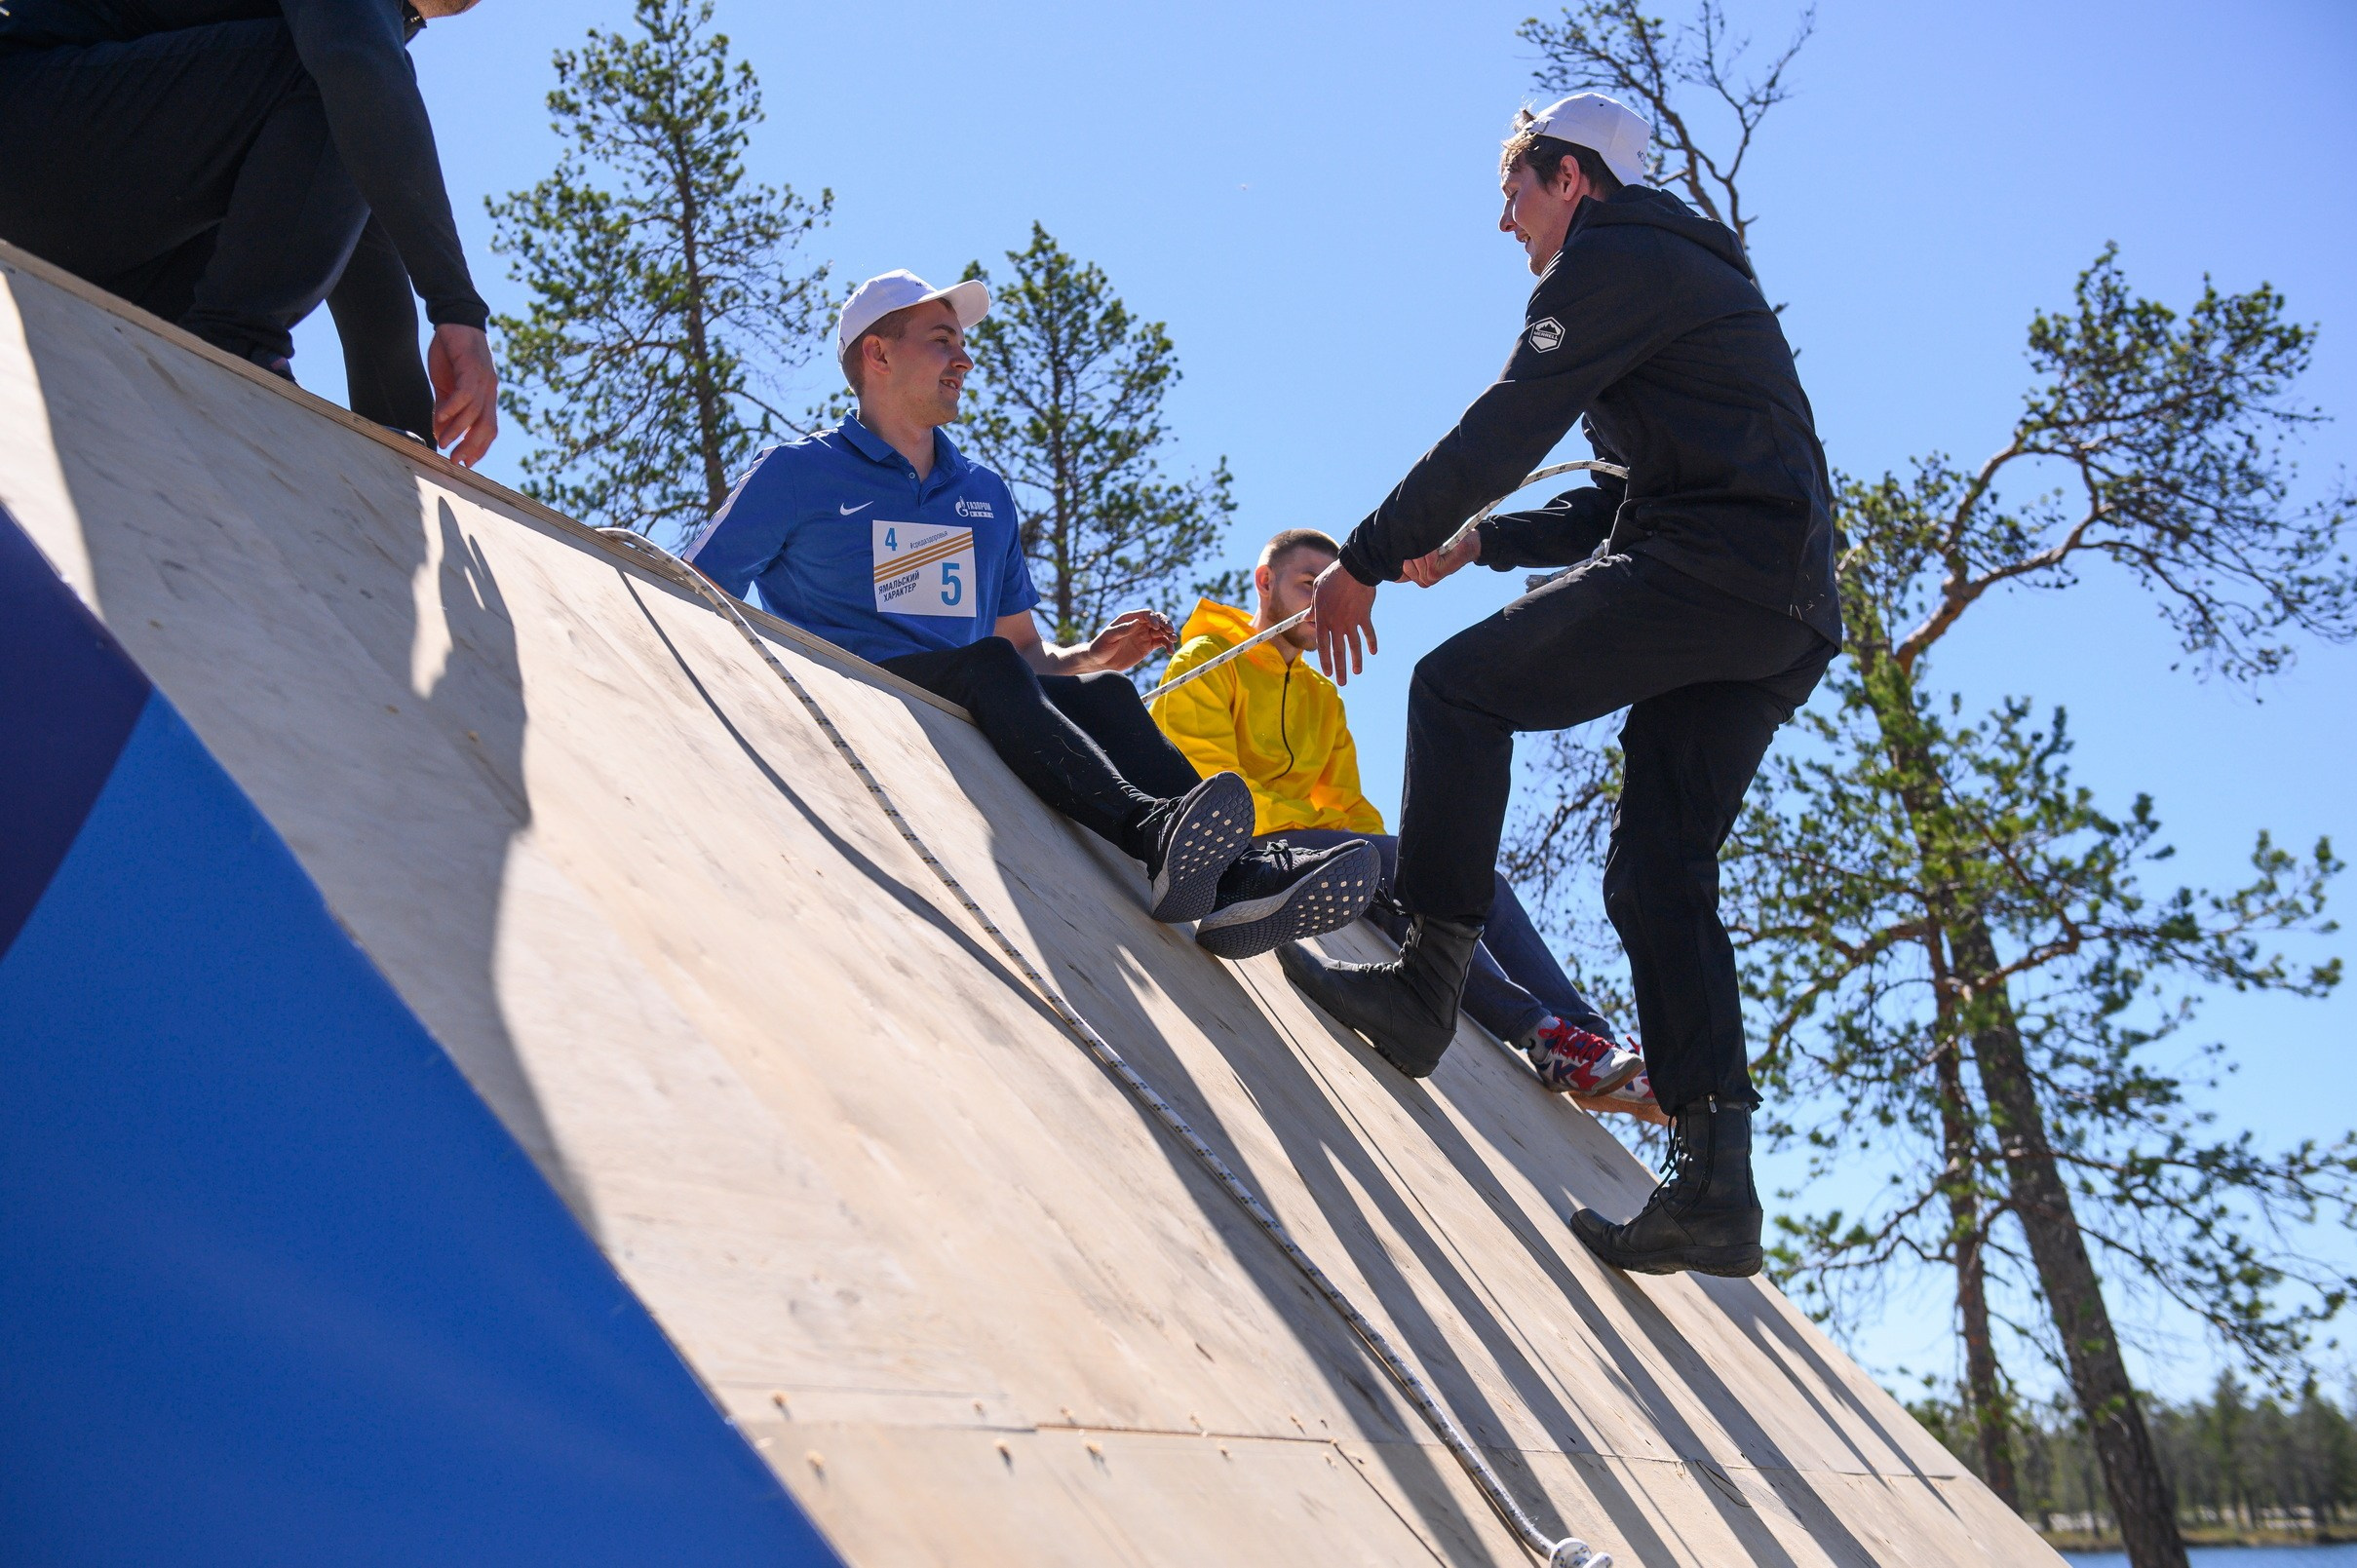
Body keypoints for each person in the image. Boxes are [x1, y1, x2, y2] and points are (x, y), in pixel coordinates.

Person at [1282, 94, 1841, 1280]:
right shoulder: (1679, 276)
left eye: (1515, 190)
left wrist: (1366, 558)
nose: (1506, 221)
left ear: (1571, 178)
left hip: (1712, 568)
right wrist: (1480, 544)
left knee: (1457, 690)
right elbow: (1620, 495)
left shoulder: (1617, 258)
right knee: (1656, 871)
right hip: (1780, 606)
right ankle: (1717, 1187)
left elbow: (1505, 426)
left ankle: (1426, 988)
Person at [686, 270, 1379, 956]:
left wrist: (1093, 657)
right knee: (984, 665)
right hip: (860, 693)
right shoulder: (798, 472)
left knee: (1104, 693)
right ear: (878, 354)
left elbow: (1022, 653)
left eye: (963, 343)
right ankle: (1149, 831)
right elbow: (688, 587)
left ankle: (1239, 884)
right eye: (942, 340)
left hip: (971, 696)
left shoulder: (983, 494)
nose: (964, 359)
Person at [1150, 527, 1656, 1114]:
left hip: (1312, 847)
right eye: (1307, 585)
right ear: (1266, 582)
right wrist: (1346, 838)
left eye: (1326, 589)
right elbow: (1208, 780)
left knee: (1472, 880)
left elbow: (1350, 807)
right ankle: (1543, 1036)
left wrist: (1400, 855)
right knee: (1390, 863)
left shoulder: (1320, 697)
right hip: (1235, 844)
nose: (1318, 603)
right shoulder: (1207, 657)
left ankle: (1597, 1046)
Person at [0, 0, 499, 466]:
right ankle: (233, 347)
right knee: (348, 82)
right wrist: (456, 307)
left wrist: (409, 443)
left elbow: (365, 264)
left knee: (358, 107)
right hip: (27, 121)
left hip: (82, 220)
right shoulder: (352, 46)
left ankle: (224, 344)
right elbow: (354, 68)